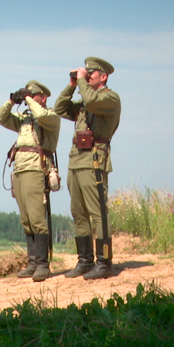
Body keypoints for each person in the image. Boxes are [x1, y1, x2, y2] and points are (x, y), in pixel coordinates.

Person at [54, 57, 121, 280]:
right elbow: (60, 107)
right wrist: (72, 86)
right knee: (78, 213)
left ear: (104, 76)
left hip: (94, 160)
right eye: (86, 72)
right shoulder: (85, 99)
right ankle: (85, 261)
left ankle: (104, 262)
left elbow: (92, 102)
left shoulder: (109, 98)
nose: (88, 76)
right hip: (76, 160)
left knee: (98, 212)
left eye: (92, 73)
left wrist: (82, 83)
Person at [0, 80, 61, 282]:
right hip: (20, 169)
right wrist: (11, 101)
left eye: (33, 95)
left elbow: (40, 114)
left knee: (37, 217)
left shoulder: (49, 116)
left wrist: (29, 99)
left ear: (43, 97)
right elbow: (0, 117)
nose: (28, 100)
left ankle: (42, 264)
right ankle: (33, 262)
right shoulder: (25, 120)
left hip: (35, 168)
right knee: (26, 219)